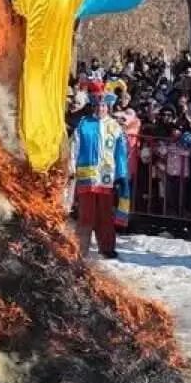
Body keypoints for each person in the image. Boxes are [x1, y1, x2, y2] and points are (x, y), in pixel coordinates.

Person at [68, 89, 128, 259]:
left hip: (106, 178)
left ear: (108, 107)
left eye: (104, 105)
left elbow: (120, 153)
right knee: (86, 215)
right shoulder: (83, 124)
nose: (100, 108)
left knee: (105, 215)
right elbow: (75, 147)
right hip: (86, 177)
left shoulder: (115, 127)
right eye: (98, 105)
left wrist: (121, 175)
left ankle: (107, 247)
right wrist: (72, 166)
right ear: (93, 106)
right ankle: (81, 249)